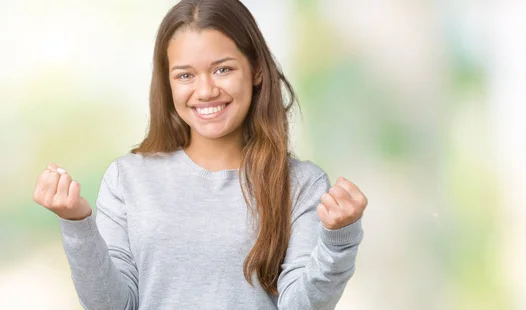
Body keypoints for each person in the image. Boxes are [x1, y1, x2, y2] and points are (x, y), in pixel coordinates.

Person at [32, 0, 367, 309]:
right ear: (168, 83)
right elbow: (111, 305)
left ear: (256, 71)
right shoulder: (127, 178)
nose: (205, 90)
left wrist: (338, 241)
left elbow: (301, 305)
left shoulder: (302, 184)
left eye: (223, 69)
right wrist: (76, 222)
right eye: (185, 75)